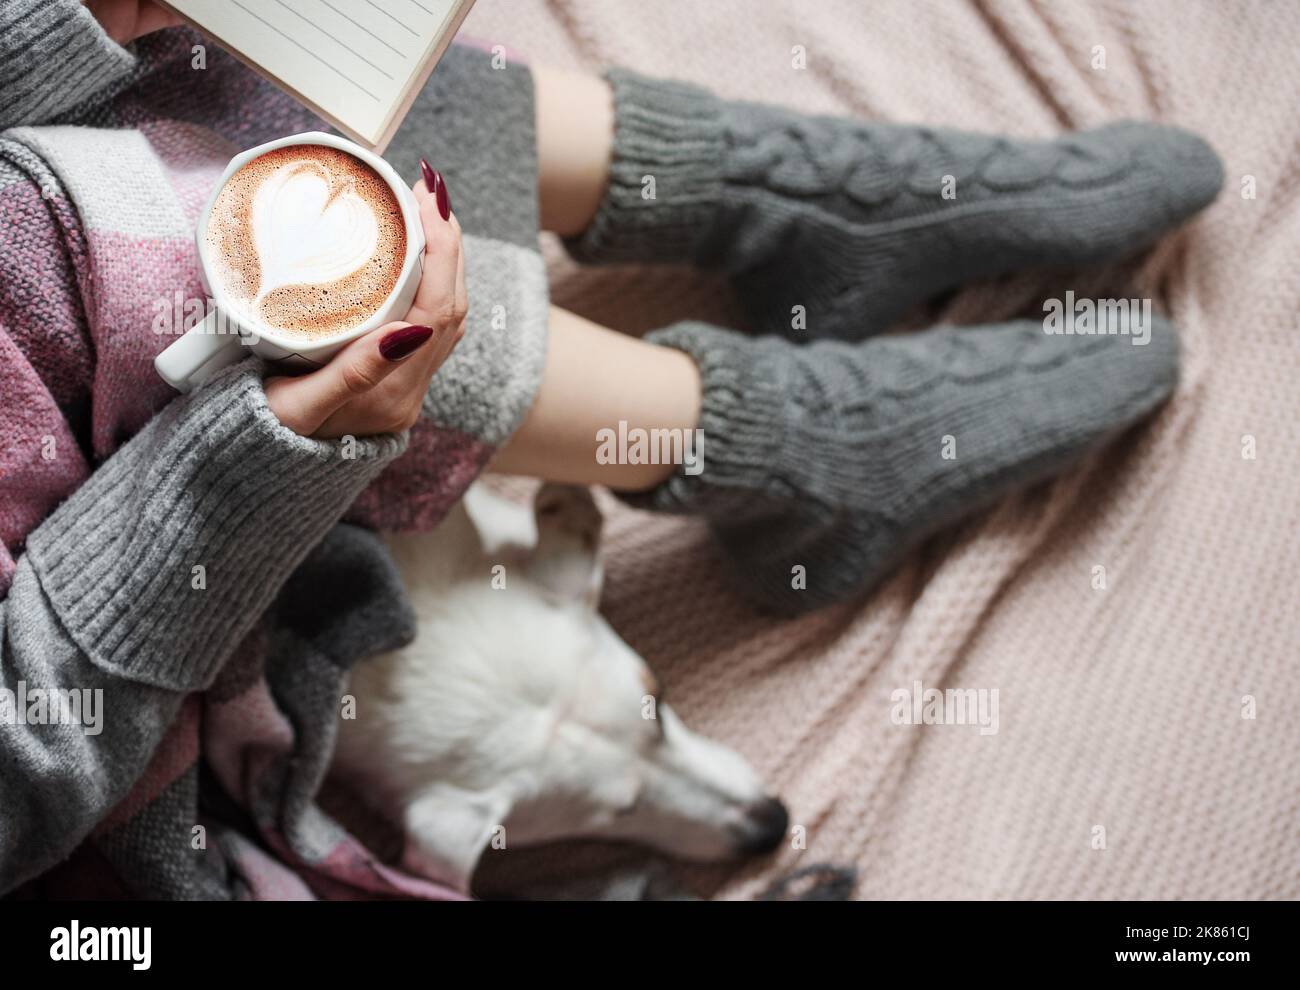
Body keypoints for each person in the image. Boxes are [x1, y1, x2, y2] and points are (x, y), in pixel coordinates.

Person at [0, 0, 1222, 897]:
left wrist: (77, 21)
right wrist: (250, 468)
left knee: (252, 62)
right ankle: (791, 442)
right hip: (106, 611)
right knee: (189, 243)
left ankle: (800, 204)